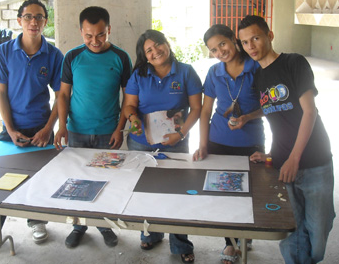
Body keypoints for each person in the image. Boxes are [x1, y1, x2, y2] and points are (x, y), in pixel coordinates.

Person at [0, 0, 64, 253]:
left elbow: (61, 95)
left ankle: (37, 220)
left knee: (40, 178)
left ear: (45, 22)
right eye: (28, 16)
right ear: (19, 21)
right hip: (12, 128)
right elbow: (1, 94)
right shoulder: (4, 52)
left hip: (41, 128)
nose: (34, 21)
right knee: (2, 181)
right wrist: (10, 128)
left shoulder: (53, 55)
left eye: (39, 17)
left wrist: (49, 127)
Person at [238, 15, 335, 264]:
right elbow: (274, 106)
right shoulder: (258, 78)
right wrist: (250, 120)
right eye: (245, 42)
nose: (251, 46)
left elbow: (309, 111)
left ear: (269, 36)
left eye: (255, 38)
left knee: (318, 229)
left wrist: (294, 157)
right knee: (291, 229)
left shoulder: (294, 63)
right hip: (282, 163)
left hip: (314, 161)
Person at [53, 6, 132, 249]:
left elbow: (128, 98)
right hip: (76, 131)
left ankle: (104, 225)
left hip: (108, 132)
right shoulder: (72, 57)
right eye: (88, 35)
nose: (94, 41)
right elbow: (63, 95)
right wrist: (62, 125)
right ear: (81, 32)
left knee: (106, 181)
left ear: (108, 30)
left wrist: (120, 129)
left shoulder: (121, 57)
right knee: (77, 181)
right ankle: (79, 226)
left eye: (100, 34)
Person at [123, 29, 202, 263]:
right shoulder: (139, 75)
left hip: (175, 145)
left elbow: (197, 108)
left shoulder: (186, 72)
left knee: (176, 194)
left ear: (167, 44)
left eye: (158, 44)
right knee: (144, 191)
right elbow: (129, 105)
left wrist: (181, 133)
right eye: (149, 50)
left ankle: (180, 243)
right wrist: (133, 119)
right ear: (145, 56)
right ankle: (150, 233)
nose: (156, 51)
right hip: (141, 144)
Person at [193, 24, 265, 264]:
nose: (220, 52)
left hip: (251, 142)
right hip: (218, 142)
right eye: (213, 49)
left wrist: (248, 117)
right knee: (223, 193)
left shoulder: (257, 67)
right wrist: (203, 144)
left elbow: (273, 105)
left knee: (250, 194)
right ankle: (230, 244)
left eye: (222, 44)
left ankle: (245, 237)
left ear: (234, 39)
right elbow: (205, 111)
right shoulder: (214, 73)